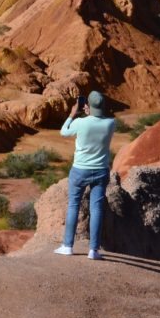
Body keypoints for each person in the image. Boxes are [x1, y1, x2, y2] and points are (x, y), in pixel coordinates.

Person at [54, 90, 115, 260]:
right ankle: (93, 251)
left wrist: (72, 114)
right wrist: (93, 112)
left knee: (74, 205)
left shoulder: (80, 123)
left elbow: (63, 132)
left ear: (86, 106)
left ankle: (67, 246)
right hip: (101, 170)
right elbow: (100, 119)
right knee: (96, 209)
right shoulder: (111, 123)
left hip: (80, 170)